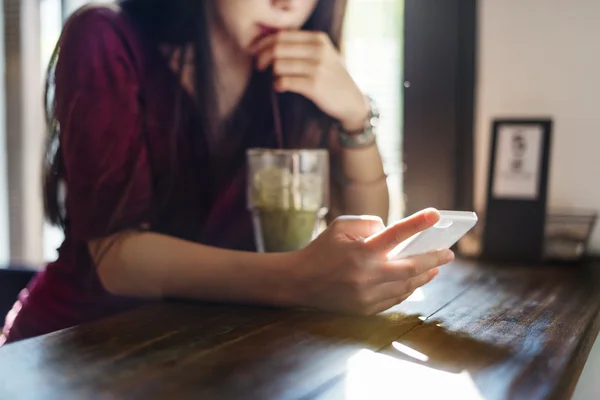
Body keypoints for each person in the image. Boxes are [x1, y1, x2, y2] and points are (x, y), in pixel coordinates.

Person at [1, 0, 453, 345]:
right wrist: (297, 279)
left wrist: (356, 115)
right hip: (76, 345)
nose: (287, 4)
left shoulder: (292, 72)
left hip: (213, 350)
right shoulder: (105, 36)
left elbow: (364, 227)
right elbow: (118, 261)